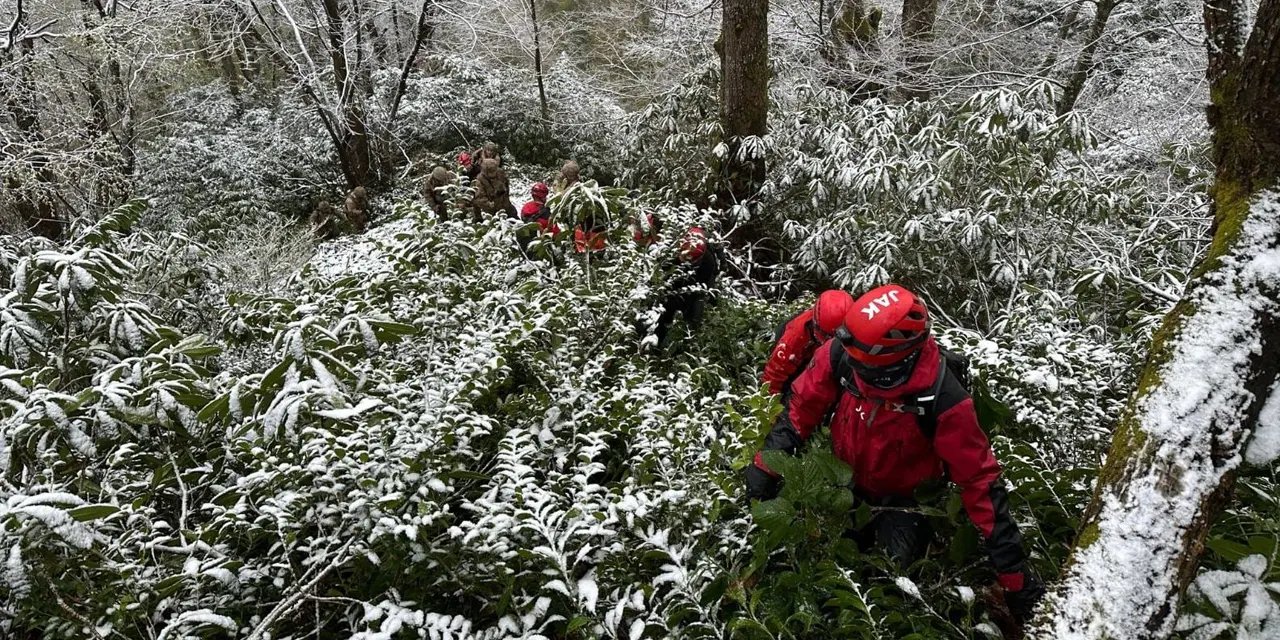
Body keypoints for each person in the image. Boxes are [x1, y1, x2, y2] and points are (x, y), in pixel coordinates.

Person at [744, 284, 1045, 624]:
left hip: (905, 500)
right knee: (833, 572)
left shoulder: (944, 399)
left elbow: (979, 482)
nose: (857, 375)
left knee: (888, 589)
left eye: (867, 371)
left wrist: (1013, 577)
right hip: (844, 485)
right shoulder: (841, 353)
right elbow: (802, 408)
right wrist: (765, 464)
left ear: (897, 362)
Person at [762, 290, 855, 395]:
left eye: (836, 337)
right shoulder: (793, 338)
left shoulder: (854, 328)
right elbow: (773, 376)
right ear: (815, 324)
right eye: (826, 336)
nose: (830, 341)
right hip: (800, 357)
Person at [652, 227, 719, 346]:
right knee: (666, 309)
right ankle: (657, 341)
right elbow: (662, 267)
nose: (688, 260)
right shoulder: (673, 251)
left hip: (698, 284)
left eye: (692, 258)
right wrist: (678, 261)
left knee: (695, 313)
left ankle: (688, 343)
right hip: (674, 283)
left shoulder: (708, 261)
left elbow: (700, 285)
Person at [517, 182, 560, 253]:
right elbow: (555, 232)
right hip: (542, 247)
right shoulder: (546, 213)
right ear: (542, 196)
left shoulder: (526, 207)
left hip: (524, 246)